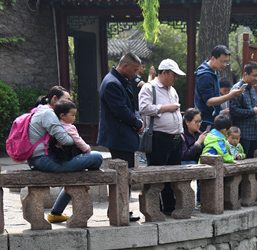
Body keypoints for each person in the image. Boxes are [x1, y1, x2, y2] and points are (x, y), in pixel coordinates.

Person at [27, 86, 104, 223]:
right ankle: (85, 183)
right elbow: (66, 140)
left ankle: (56, 212)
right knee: (96, 157)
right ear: (55, 99)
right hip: (45, 160)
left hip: (40, 159)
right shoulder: (48, 114)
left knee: (79, 169)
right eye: (67, 99)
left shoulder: (40, 111)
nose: (70, 102)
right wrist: (72, 136)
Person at [98, 52, 145, 222]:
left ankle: (120, 209)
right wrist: (138, 123)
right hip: (119, 137)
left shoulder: (119, 80)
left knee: (126, 176)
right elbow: (121, 110)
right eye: (134, 70)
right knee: (123, 176)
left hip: (123, 136)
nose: (135, 74)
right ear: (125, 66)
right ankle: (119, 210)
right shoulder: (112, 83)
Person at [139, 58, 185, 216]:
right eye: (174, 75)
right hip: (158, 137)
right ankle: (154, 208)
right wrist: (165, 108)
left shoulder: (172, 90)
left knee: (174, 174)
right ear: (164, 73)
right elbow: (143, 108)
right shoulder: (149, 88)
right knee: (157, 174)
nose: (176, 78)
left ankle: (170, 206)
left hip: (175, 138)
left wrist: (180, 132)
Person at [194, 45, 244, 132]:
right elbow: (209, 101)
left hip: (213, 118)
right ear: (213, 58)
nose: (225, 65)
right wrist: (230, 96)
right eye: (223, 62)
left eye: (227, 62)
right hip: (205, 120)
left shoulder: (214, 70)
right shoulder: (205, 75)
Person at [230, 61, 257, 158]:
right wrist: (253, 112)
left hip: (254, 134)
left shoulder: (252, 89)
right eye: (254, 76)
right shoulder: (237, 89)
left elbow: (252, 109)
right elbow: (233, 111)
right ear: (245, 74)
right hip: (242, 135)